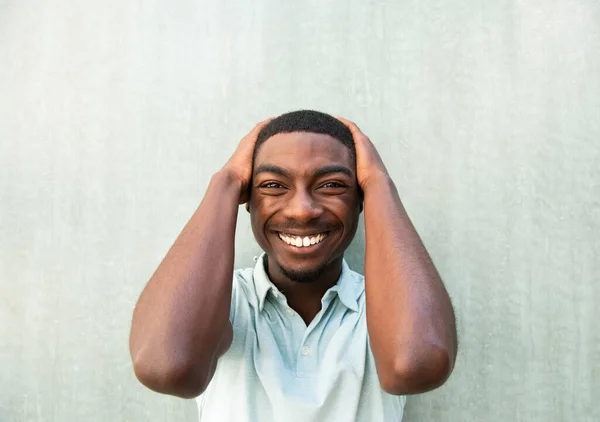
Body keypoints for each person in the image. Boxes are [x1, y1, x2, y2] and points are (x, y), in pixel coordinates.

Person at [129, 110, 458, 421]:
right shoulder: (222, 302)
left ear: (360, 202)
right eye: (273, 186)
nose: (302, 210)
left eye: (331, 185)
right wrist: (225, 182)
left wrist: (379, 185)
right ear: (247, 200)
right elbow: (167, 366)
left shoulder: (385, 307)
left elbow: (416, 366)